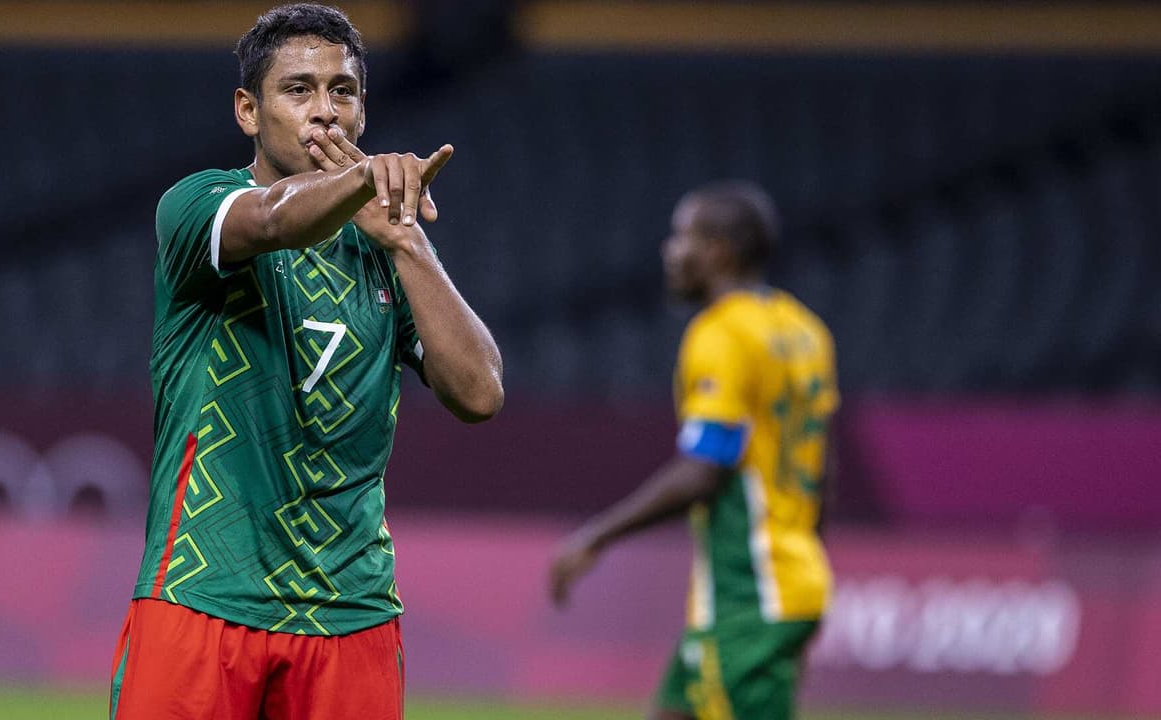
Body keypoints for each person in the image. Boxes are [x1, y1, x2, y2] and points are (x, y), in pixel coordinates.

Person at [108, 4, 504, 719]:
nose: (325, 111)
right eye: (298, 90)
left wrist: (407, 240)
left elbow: (480, 393)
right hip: (203, 594)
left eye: (342, 91)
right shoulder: (198, 205)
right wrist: (367, 182)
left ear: (363, 109)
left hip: (351, 611)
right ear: (248, 111)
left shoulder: (386, 252)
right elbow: (274, 219)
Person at [549, 181, 837, 720]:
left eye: (682, 237)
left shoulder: (722, 333)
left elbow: (705, 469)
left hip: (750, 590)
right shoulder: (803, 330)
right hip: (788, 581)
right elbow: (822, 470)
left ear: (718, 251)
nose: (670, 251)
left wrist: (595, 537)